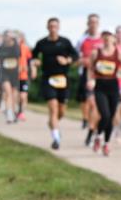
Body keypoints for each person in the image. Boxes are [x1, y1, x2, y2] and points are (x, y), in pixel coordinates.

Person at [31, 17, 79, 149]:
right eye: (51, 26)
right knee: (53, 108)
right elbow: (33, 56)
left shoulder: (65, 42)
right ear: (47, 27)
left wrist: (67, 60)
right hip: (48, 78)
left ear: (58, 27)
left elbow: (75, 56)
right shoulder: (41, 43)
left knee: (61, 111)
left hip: (63, 79)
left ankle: (53, 124)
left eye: (55, 26)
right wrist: (35, 63)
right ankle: (56, 138)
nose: (53, 29)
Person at [88, 31, 121, 156]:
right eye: (104, 36)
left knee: (111, 116)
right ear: (102, 38)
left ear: (114, 38)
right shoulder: (96, 53)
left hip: (113, 87)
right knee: (105, 114)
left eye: (109, 36)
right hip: (100, 87)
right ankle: (98, 136)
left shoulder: (119, 54)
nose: (107, 38)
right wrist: (90, 80)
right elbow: (90, 69)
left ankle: (106, 143)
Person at [77, 14, 103, 143]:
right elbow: (76, 57)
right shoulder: (83, 40)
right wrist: (83, 61)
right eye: (91, 22)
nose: (93, 24)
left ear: (98, 24)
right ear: (88, 24)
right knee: (89, 102)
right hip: (87, 74)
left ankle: (93, 129)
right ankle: (87, 121)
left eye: (95, 22)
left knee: (97, 105)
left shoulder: (104, 39)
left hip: (103, 76)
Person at [0, 31, 22, 123]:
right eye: (5, 35)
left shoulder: (16, 47)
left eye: (8, 35)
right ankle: (9, 114)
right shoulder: (1, 47)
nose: (7, 37)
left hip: (14, 72)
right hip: (4, 72)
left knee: (14, 94)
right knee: (8, 92)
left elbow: (18, 56)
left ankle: (13, 112)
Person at [16, 32, 33, 121]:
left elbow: (30, 61)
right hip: (13, 77)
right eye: (18, 37)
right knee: (17, 96)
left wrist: (32, 69)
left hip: (24, 76)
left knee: (23, 96)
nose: (20, 39)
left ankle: (21, 112)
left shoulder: (26, 48)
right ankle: (16, 111)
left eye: (21, 37)